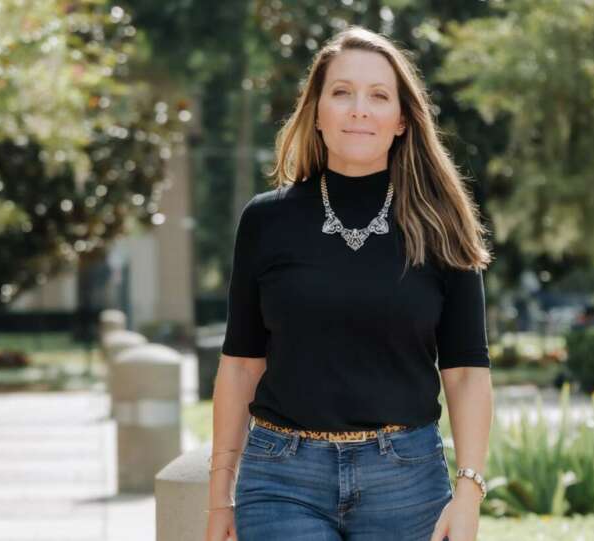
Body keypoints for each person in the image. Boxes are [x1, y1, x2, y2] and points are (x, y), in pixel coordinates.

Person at [205, 25, 494, 541]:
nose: (359, 109)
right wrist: (219, 495)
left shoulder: (442, 223)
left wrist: (468, 493)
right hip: (281, 480)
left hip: (407, 483)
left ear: (402, 119)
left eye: (378, 96)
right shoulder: (265, 221)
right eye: (342, 92)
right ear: (316, 112)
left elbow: (467, 372)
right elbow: (242, 363)